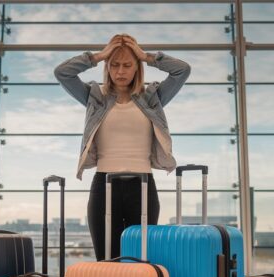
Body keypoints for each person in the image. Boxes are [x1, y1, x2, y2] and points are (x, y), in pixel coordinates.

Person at [54, 34, 191, 261]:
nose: (120, 71)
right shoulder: (95, 97)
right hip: (104, 185)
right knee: (107, 260)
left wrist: (146, 56)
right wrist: (98, 56)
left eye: (127, 65)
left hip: (143, 186)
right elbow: (62, 73)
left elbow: (182, 70)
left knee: (142, 259)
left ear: (137, 68)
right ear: (107, 67)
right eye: (114, 65)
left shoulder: (152, 97)